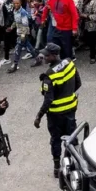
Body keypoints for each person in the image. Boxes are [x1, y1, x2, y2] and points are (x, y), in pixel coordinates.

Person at [33, 43, 81, 178]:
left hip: (55, 115)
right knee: (72, 137)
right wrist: (68, 95)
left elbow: (48, 100)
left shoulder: (49, 75)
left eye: (47, 55)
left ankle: (57, 167)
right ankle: (74, 164)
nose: (44, 57)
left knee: (55, 140)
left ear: (54, 56)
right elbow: (78, 83)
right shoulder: (69, 63)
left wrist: (39, 116)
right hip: (71, 109)